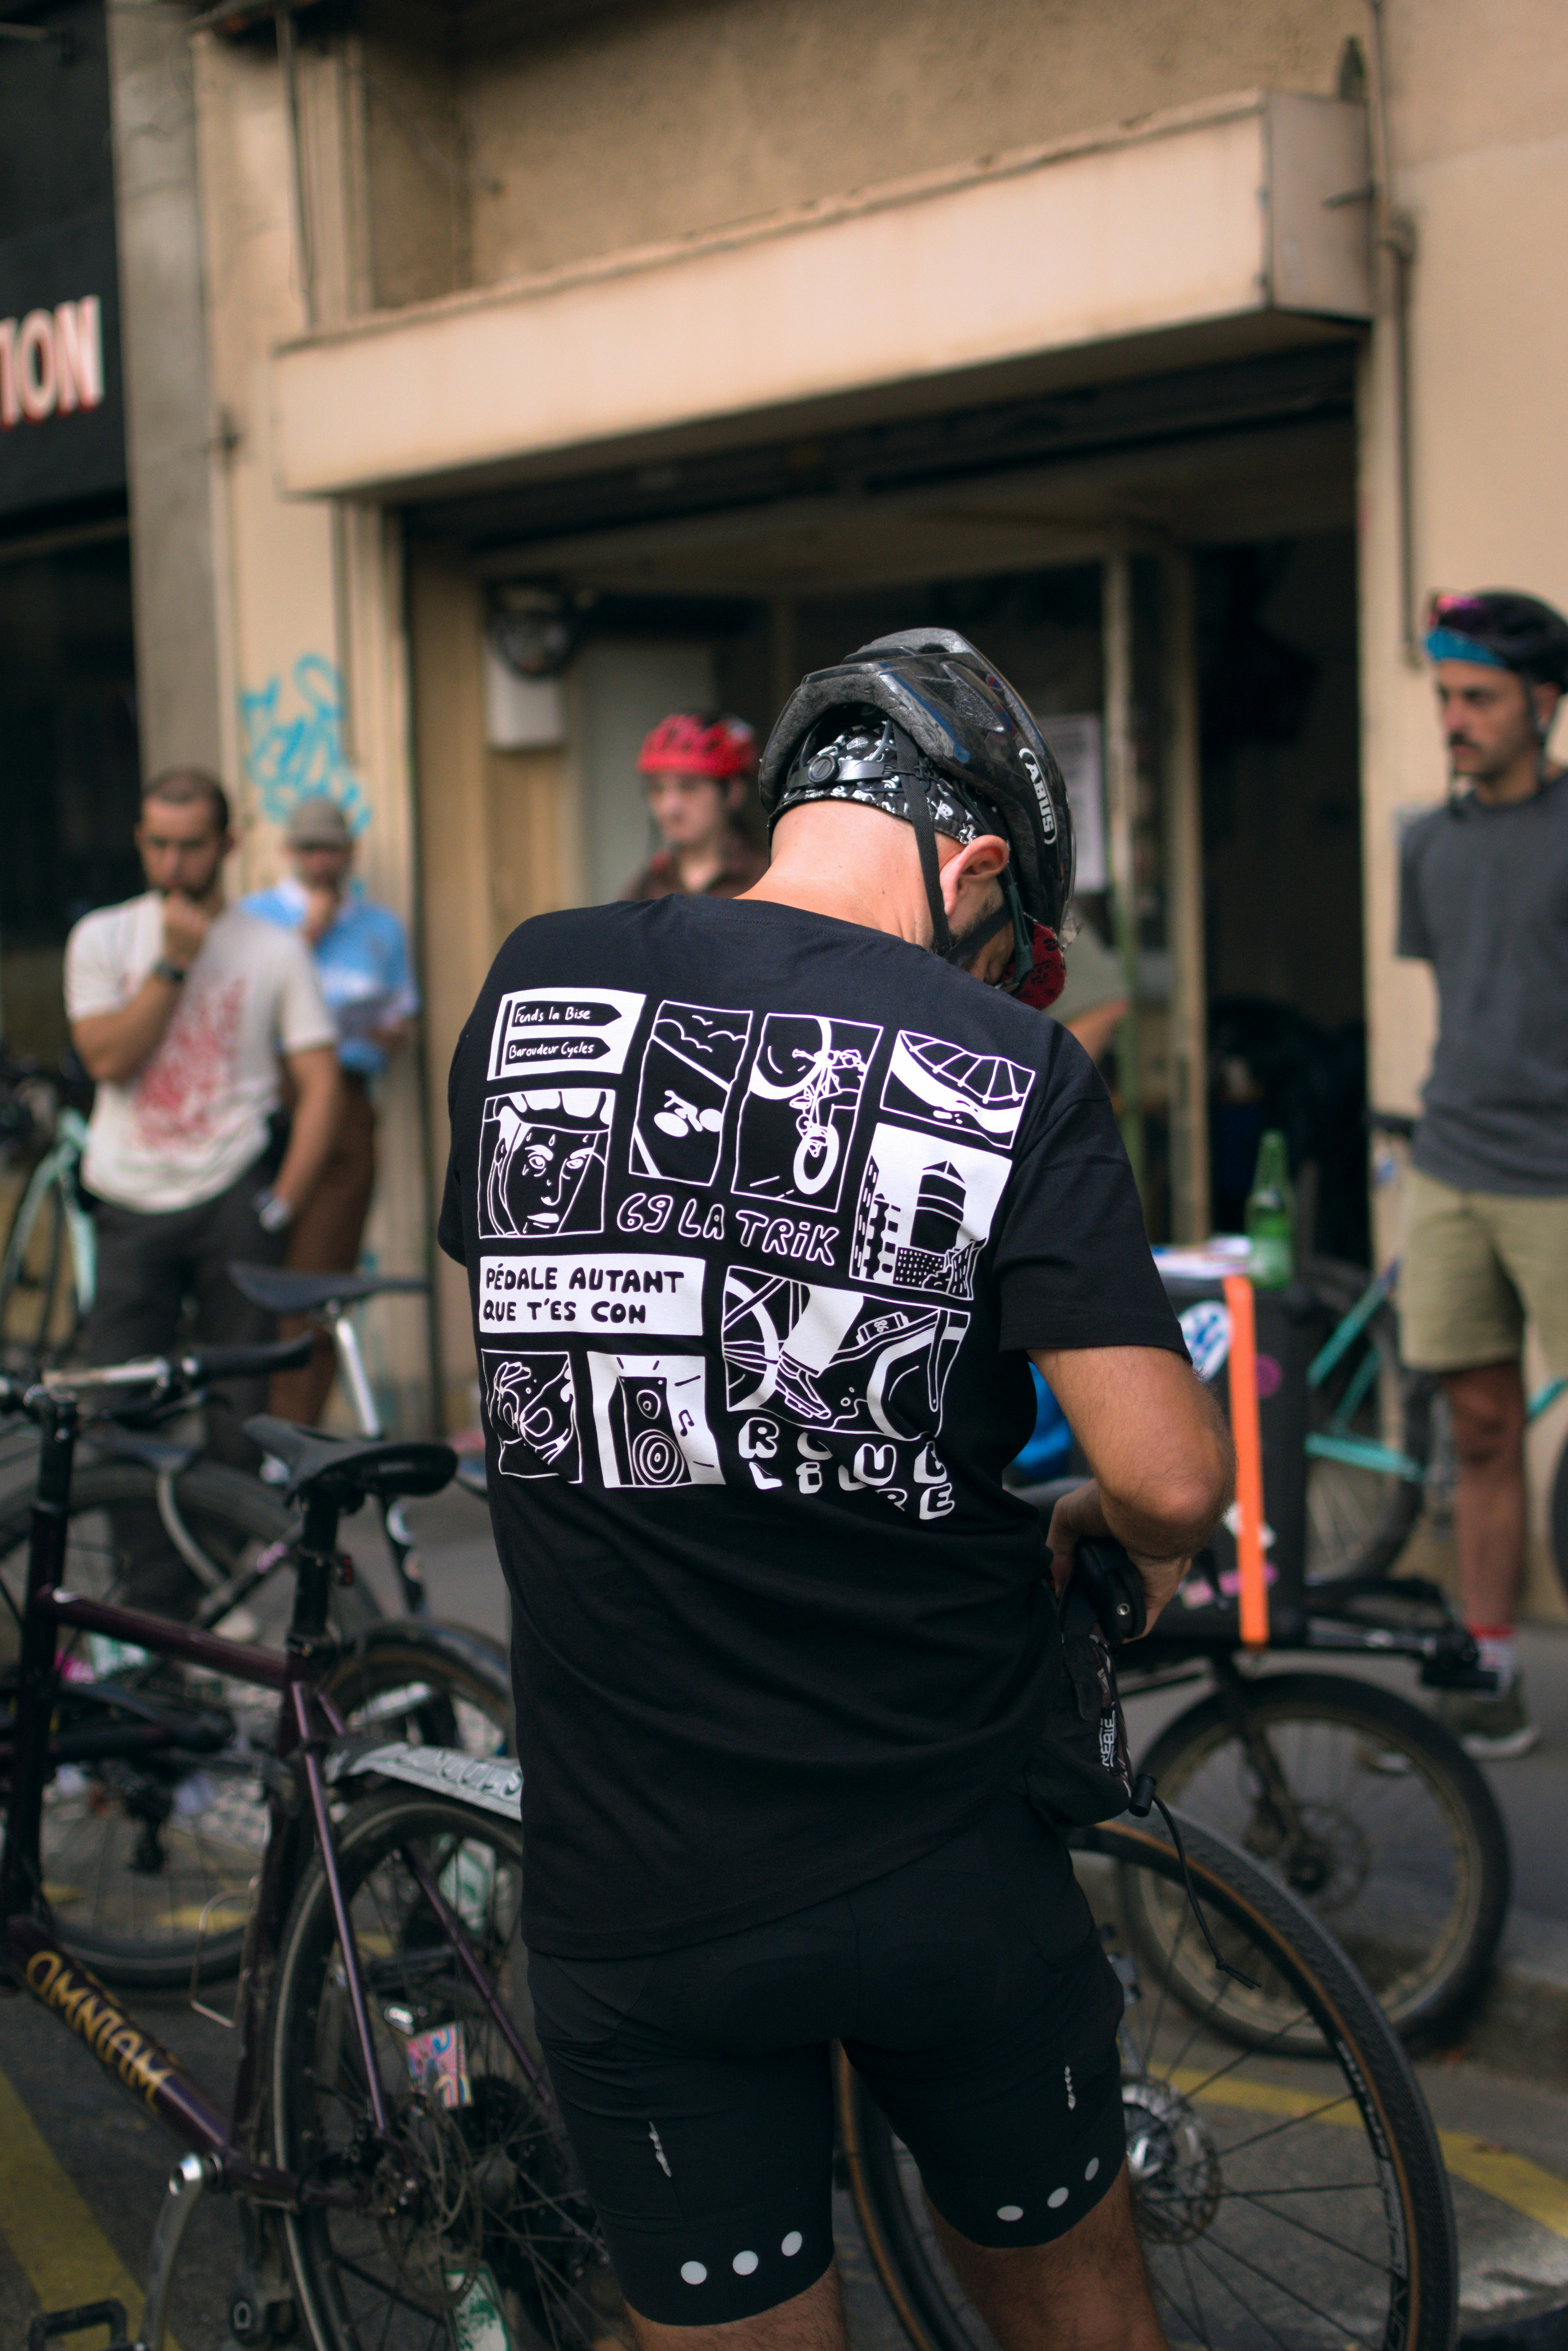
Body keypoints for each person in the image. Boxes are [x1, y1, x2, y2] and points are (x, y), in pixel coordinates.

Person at [441, 629, 1232, 2351]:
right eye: (1009, 949)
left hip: (636, 1883)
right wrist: (1114, 1529)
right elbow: (1168, 1477)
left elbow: (528, 1341)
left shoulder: (532, 991)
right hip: (940, 1859)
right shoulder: (1012, 1068)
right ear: (968, 869)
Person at [1397, 588, 1568, 1758]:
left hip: (1560, 1175)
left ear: (1544, 704)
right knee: (1481, 1431)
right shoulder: (1426, 842)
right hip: (1451, 1162)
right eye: (1445, 696)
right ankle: (1490, 1669)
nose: (1454, 719)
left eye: (1479, 698)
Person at [65, 768, 339, 1460]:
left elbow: (320, 1080)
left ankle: (225, 1558)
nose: (173, 864)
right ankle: (152, 1572)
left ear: (227, 844)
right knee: (120, 1399)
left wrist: (282, 1202)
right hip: (129, 1195)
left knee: (239, 1400)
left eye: (191, 845)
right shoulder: (103, 938)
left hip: (231, 1193)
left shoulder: (273, 948)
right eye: (158, 844)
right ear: (139, 840)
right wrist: (173, 966)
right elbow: (107, 1060)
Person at [244, 795, 419, 1424]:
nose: (322, 862)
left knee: (319, 1271)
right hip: (268, 1099)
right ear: (291, 853)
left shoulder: (379, 927)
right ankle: (242, 1426)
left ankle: (293, 1427)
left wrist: (386, 1028)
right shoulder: (257, 918)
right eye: (310, 849)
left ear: (351, 854)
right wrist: (307, 936)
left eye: (332, 849)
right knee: (248, 1265)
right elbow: (243, 1007)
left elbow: (402, 1013)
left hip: (346, 1097)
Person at [621, 709, 769, 899]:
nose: (670, 808)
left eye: (688, 788)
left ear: (733, 792)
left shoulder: (768, 876)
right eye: (657, 790)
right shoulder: (645, 890)